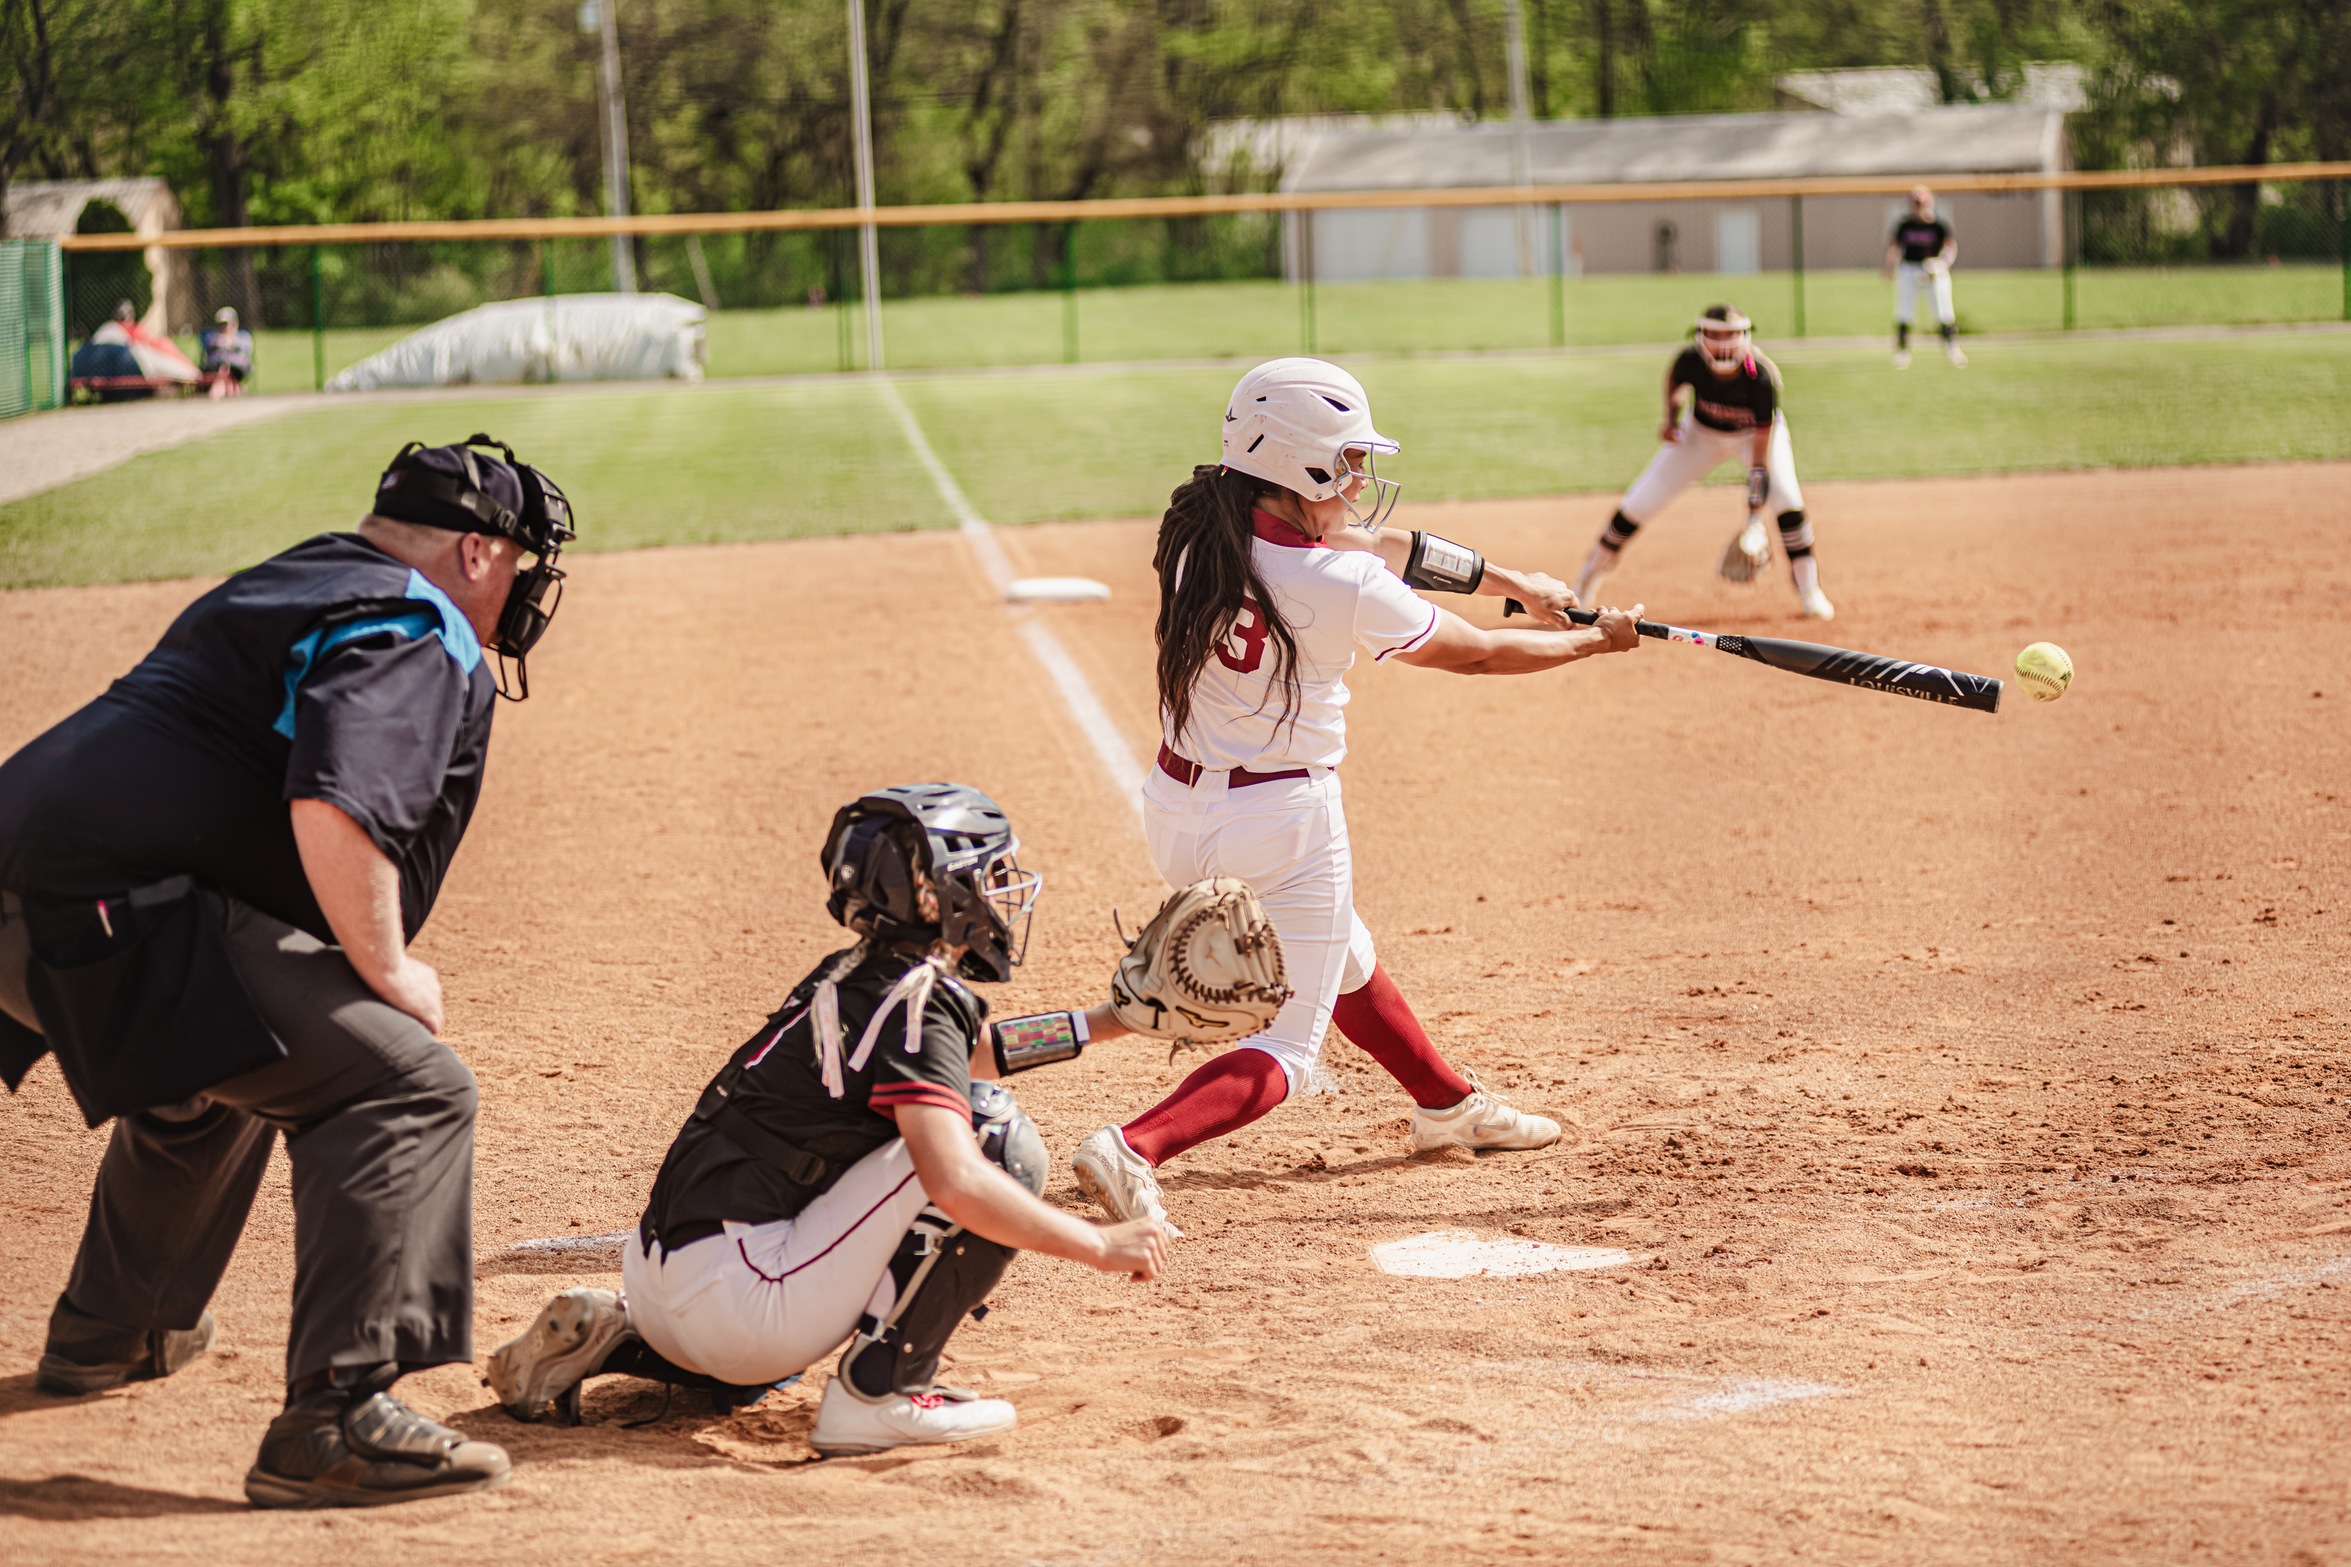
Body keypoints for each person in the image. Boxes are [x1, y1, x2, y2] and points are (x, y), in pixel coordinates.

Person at [0, 434, 576, 1508]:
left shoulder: (300, 572)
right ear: (476, 553)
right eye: (520, 567)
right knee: (404, 1081)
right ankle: (337, 1418)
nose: (525, 592)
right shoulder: (418, 620)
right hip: (106, 901)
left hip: (39, 883)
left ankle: (116, 1331)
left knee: (228, 1046)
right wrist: (390, 969)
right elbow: (336, 796)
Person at [1064, 357, 1643, 1235]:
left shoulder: (1199, 527)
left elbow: (1384, 546)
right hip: (1282, 821)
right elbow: (1478, 652)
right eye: (1345, 462)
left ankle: (1446, 1102)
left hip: (1177, 807)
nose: (1360, 479)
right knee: (1292, 1048)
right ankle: (1135, 1145)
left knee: (1342, 954)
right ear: (1298, 466)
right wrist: (1592, 645)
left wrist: (1517, 581)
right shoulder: (1337, 584)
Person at [488, 784, 1171, 1457]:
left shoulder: (851, 974)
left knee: (928, 1124)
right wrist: (1099, 1245)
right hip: (740, 1306)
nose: (1002, 891)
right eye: (989, 873)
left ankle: (625, 1336)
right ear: (937, 893)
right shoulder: (918, 1000)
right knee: (990, 1134)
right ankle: (881, 1395)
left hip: (662, 1278)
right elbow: (956, 1180)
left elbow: (969, 1054)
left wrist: (1112, 1022)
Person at [1571, 305, 1834, 621]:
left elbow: (1760, 464)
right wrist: (1670, 418)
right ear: (1699, 336)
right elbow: (1674, 382)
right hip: (1700, 434)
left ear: (1745, 337)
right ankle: (1586, 580)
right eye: (1715, 334)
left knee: (1788, 501)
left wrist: (1753, 517)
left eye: (1731, 335)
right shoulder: (1690, 361)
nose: (1723, 343)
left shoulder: (1760, 377)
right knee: (1638, 503)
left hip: (1755, 438)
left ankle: (1810, 591)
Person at [1885, 186, 1965, 369]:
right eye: (1915, 203)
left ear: (1929, 203)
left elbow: (1950, 247)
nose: (1918, 207)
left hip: (1933, 270)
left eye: (1921, 203)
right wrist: (1889, 267)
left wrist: (1942, 263)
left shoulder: (1938, 225)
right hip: (1909, 269)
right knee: (1904, 310)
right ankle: (1902, 351)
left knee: (1943, 310)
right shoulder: (1904, 224)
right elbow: (1894, 247)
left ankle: (1952, 348)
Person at [200, 305, 256, 397]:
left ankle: (218, 392)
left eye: (226, 324)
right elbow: (210, 345)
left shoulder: (243, 337)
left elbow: (245, 347)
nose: (223, 327)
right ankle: (232, 390)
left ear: (234, 324)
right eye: (220, 324)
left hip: (237, 368)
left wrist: (228, 342)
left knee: (225, 369)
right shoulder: (212, 337)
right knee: (223, 369)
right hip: (215, 367)